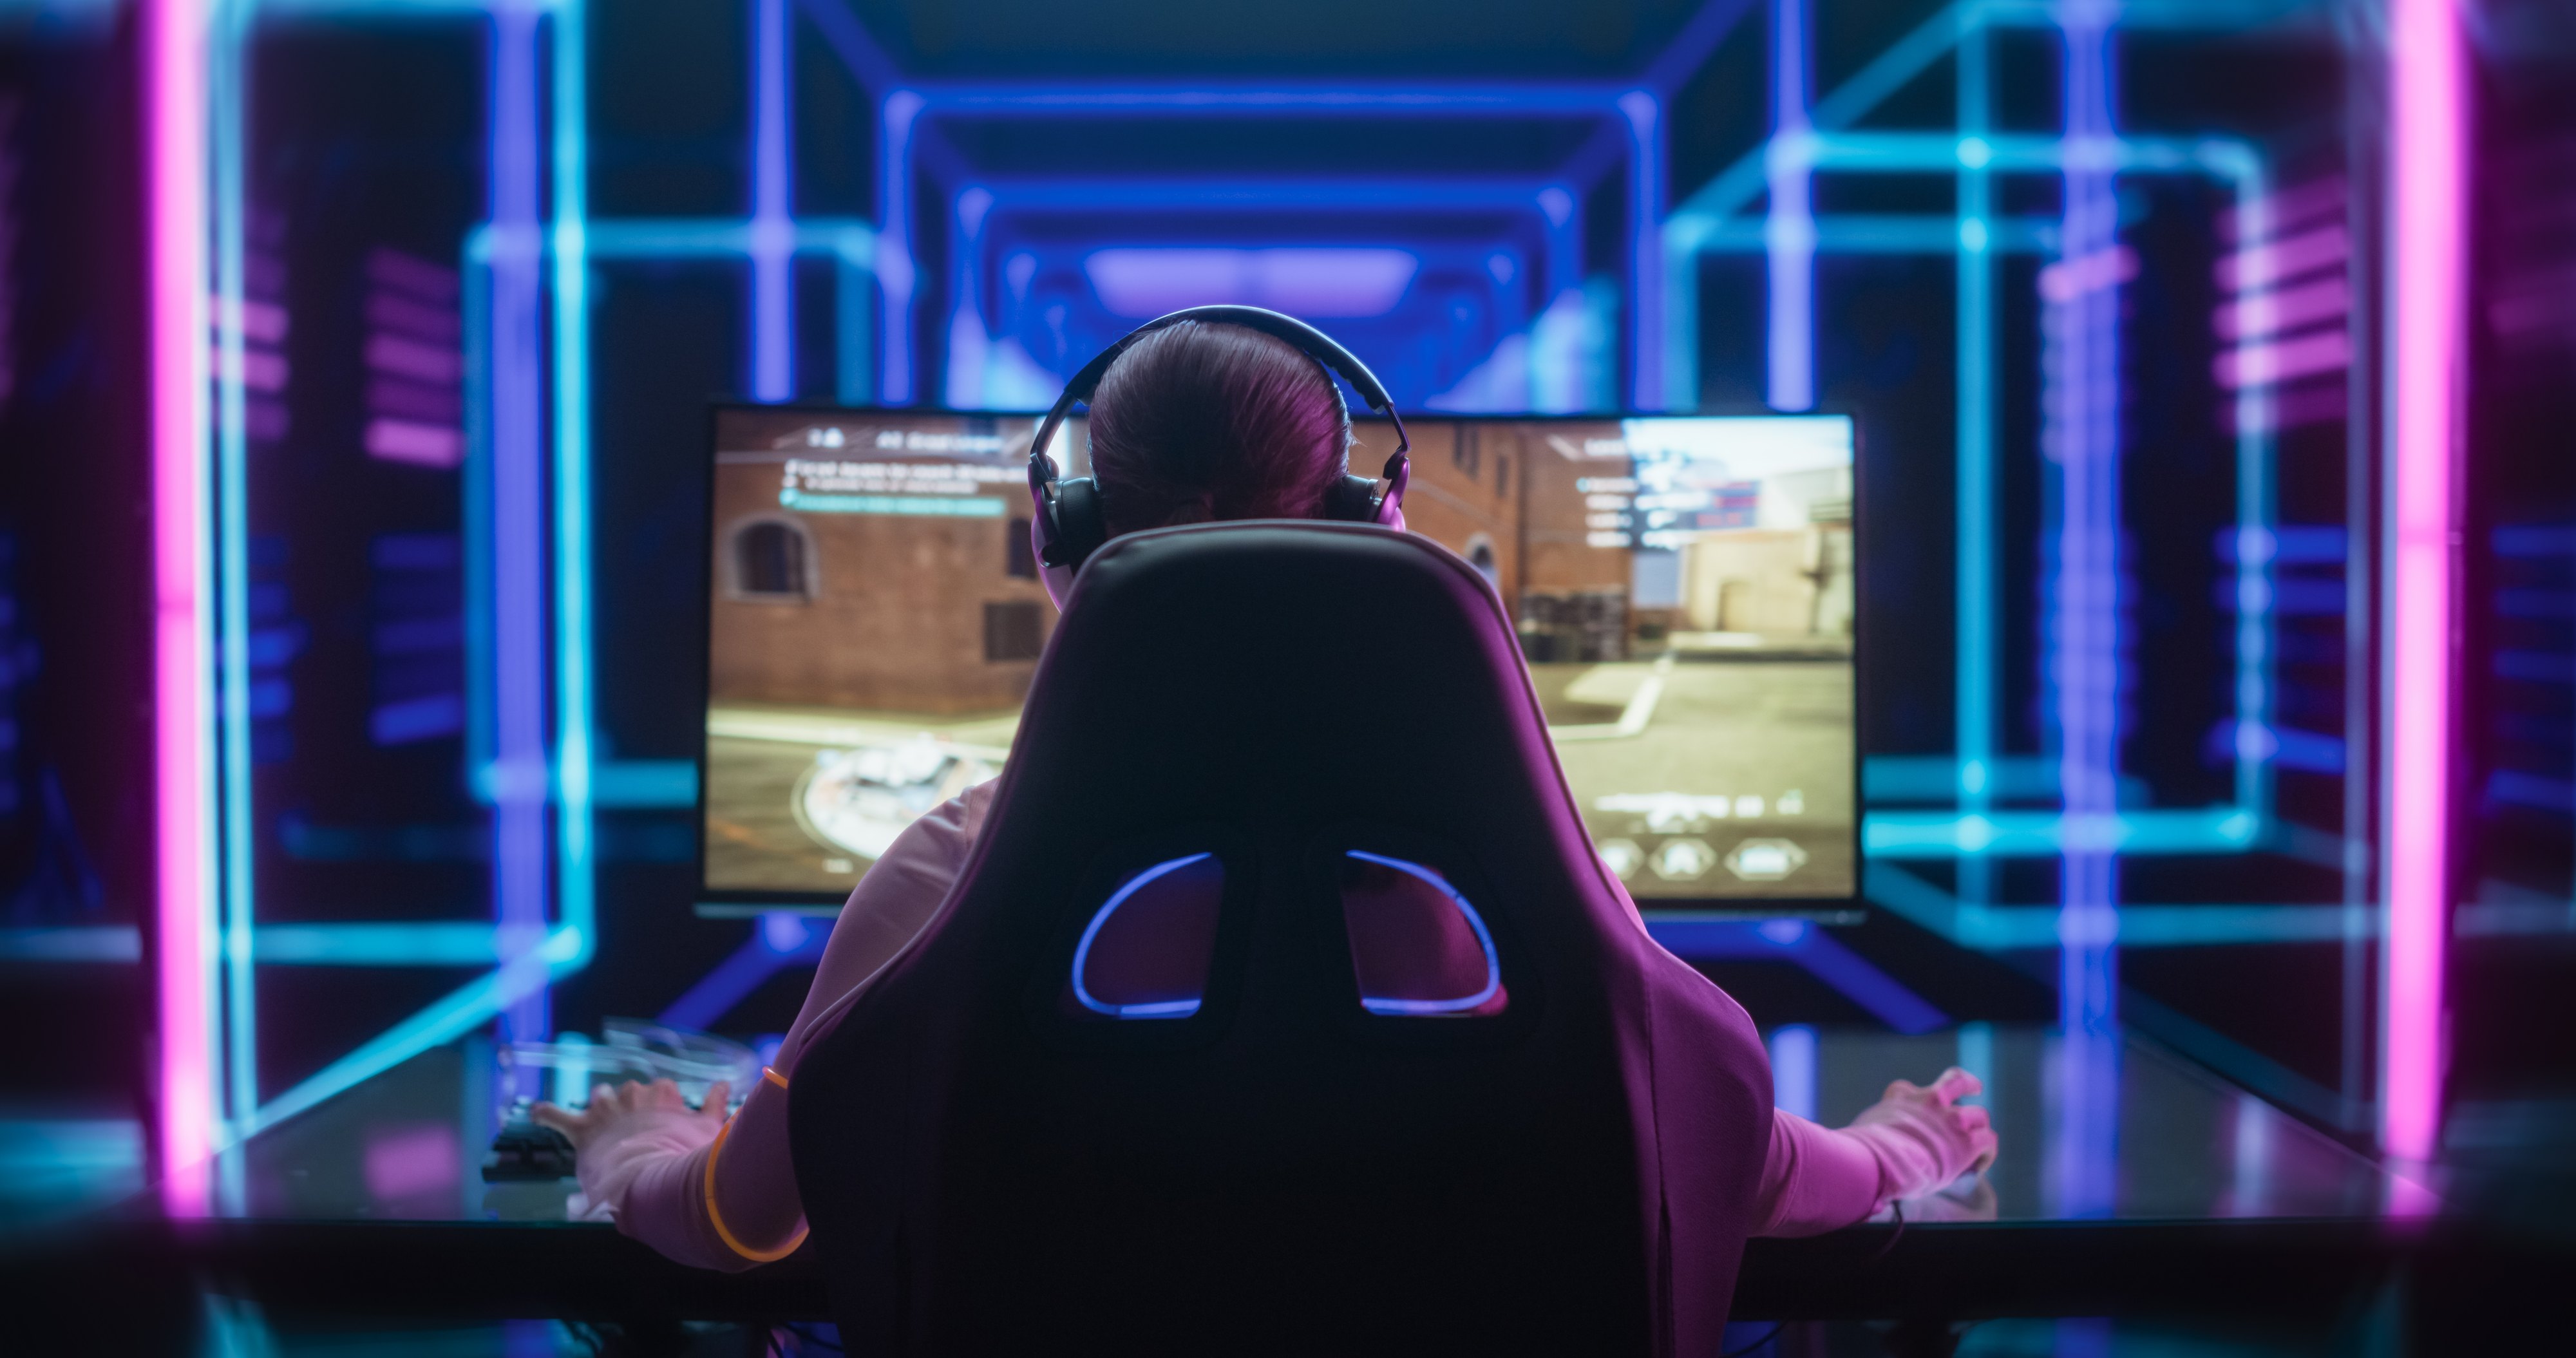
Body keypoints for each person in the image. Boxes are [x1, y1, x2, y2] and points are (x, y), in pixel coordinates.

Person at [532, 319, 1998, 1270]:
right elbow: (1724, 1148)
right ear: (1377, 524)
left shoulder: (949, 870)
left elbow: (743, 1216)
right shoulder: (1509, 872)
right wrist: (1899, 1149)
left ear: (1065, 539)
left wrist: (630, 1144)